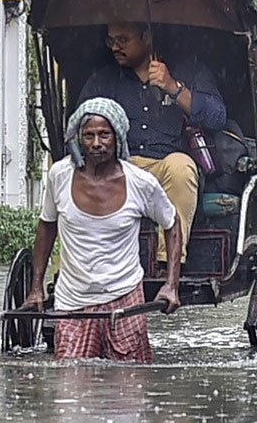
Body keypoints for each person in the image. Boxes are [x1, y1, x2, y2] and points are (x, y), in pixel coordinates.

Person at [22, 97, 182, 362]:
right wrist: (36, 287)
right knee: (71, 393)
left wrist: (171, 284)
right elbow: (47, 226)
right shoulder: (59, 176)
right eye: (89, 136)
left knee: (128, 392)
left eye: (104, 135)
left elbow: (172, 223)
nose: (97, 144)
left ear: (118, 137)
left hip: (125, 299)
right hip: (72, 301)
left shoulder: (141, 183)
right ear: (79, 139)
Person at [78, 21, 227, 263]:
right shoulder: (103, 81)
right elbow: (79, 125)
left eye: (123, 40)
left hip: (168, 166)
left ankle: (168, 264)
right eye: (111, 41)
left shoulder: (189, 70)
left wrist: (173, 87)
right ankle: (87, 264)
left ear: (145, 36)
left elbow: (217, 117)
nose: (115, 47)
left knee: (181, 167)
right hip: (120, 166)